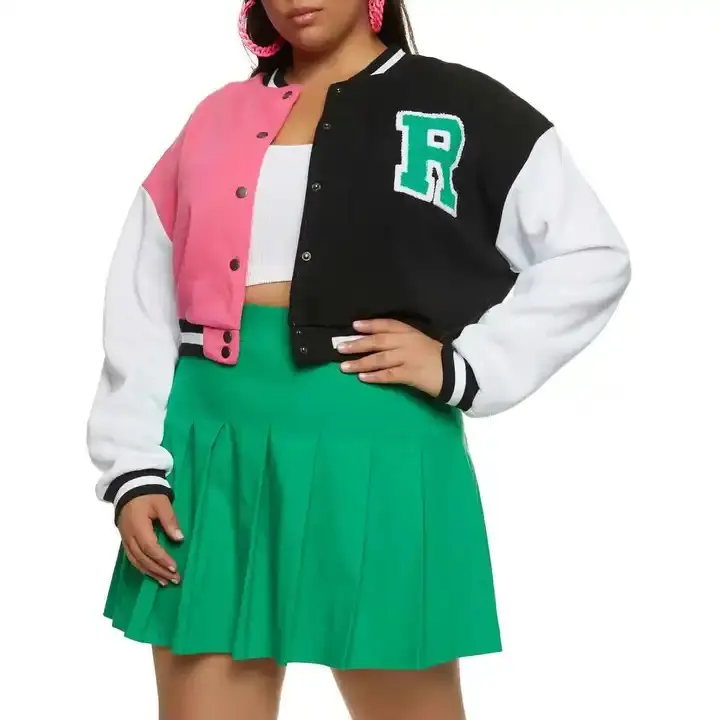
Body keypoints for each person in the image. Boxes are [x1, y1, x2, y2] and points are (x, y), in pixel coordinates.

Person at [86, 0, 631, 718]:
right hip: (212, 450)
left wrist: (466, 366)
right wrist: (131, 467)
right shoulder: (215, 118)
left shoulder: (461, 107)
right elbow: (144, 296)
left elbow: (591, 255)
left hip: (378, 446)